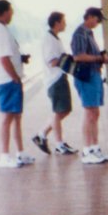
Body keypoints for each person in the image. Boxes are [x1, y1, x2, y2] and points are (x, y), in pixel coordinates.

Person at [0, 0, 34, 168]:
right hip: (6, 80)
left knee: (16, 116)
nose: (12, 14)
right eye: (11, 11)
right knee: (7, 117)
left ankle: (20, 153)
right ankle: (4, 156)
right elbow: (3, 58)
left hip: (1, 79)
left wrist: (20, 59)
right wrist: (15, 77)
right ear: (4, 12)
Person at [70, 6, 108, 165]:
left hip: (94, 75)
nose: (97, 23)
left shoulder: (89, 33)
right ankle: (87, 150)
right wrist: (99, 58)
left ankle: (95, 148)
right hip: (86, 77)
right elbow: (78, 56)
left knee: (94, 113)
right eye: (97, 19)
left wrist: (100, 57)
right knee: (90, 113)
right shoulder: (80, 33)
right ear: (89, 16)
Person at [33, 11, 77, 156]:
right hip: (55, 79)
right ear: (57, 22)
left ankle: (41, 134)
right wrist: (69, 60)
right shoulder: (49, 40)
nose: (65, 24)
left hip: (60, 77)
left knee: (64, 110)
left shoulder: (55, 38)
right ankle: (59, 143)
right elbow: (52, 61)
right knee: (58, 111)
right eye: (63, 21)